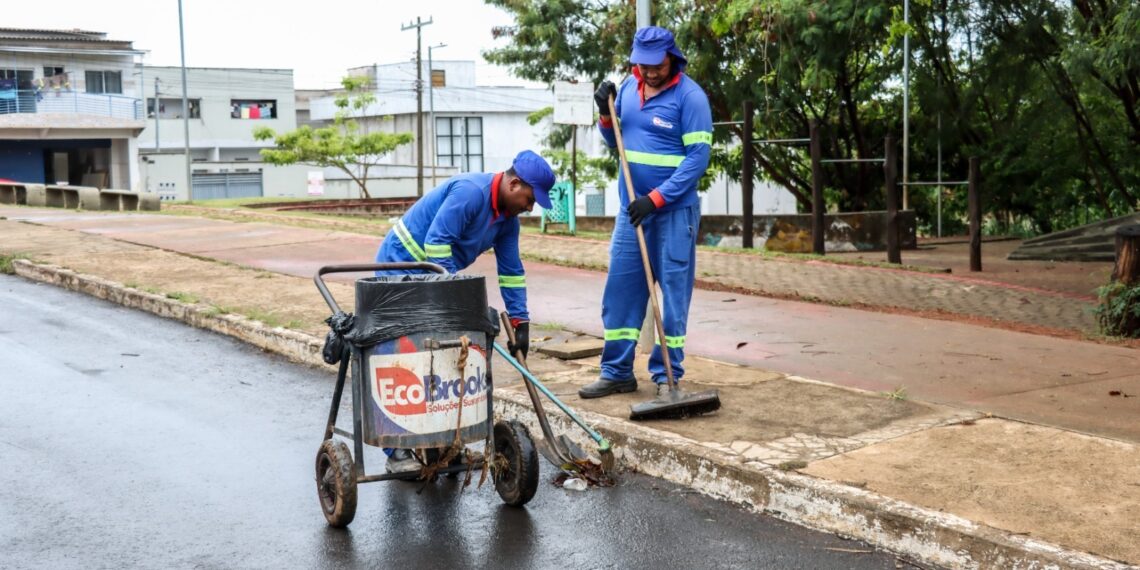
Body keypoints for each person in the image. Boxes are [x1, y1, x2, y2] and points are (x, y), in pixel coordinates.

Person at [375, 149, 556, 473]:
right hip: (399, 267)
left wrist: (520, 321)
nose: (530, 208)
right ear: (515, 184)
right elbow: (437, 244)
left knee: (447, 357)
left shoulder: (507, 222)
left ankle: (442, 441)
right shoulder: (470, 192)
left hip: (437, 274)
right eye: (530, 199)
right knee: (405, 357)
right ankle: (397, 450)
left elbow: (512, 270)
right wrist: (456, 297)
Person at [578, 26, 713, 400]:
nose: (649, 72)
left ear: (672, 57)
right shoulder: (627, 89)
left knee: (672, 296)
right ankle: (617, 371)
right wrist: (606, 115)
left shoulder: (691, 98)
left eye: (656, 65)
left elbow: (696, 162)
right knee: (621, 291)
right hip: (631, 213)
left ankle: (666, 376)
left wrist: (654, 199)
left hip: (673, 214)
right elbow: (615, 141)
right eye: (642, 65)